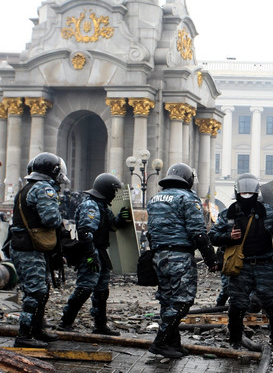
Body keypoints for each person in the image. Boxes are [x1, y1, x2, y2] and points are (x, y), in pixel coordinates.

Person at [208, 173, 273, 351]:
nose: (246, 195)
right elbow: (212, 236)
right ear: (237, 191)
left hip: (265, 264)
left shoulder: (267, 210)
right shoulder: (228, 214)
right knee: (237, 305)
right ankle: (235, 341)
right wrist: (228, 236)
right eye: (243, 192)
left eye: (250, 192)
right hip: (240, 266)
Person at [147, 163, 218, 359]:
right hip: (179, 256)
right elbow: (198, 233)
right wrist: (211, 259)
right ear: (188, 179)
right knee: (183, 300)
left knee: (167, 299)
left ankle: (173, 344)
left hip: (159, 256)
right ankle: (160, 342)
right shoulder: (188, 198)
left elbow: (151, 231)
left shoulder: (155, 199)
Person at [57, 173, 132, 335]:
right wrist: (91, 256)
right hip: (91, 252)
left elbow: (111, 225)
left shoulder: (102, 206)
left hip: (100, 252)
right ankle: (65, 322)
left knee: (101, 291)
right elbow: (85, 233)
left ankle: (100, 325)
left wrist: (121, 219)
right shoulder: (91, 205)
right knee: (85, 288)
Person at [10, 152, 67, 347]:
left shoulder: (27, 187)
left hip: (25, 245)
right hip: (30, 248)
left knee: (41, 289)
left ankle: (37, 330)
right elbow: (50, 219)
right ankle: (24, 335)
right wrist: (61, 218)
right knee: (35, 291)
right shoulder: (44, 188)